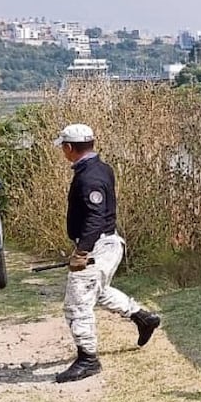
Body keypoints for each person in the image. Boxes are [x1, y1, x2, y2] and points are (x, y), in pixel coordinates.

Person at [52, 123, 161, 383]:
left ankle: (88, 360)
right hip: (107, 243)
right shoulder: (101, 168)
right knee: (98, 291)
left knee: (77, 304)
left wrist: (81, 251)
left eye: (63, 148)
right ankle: (143, 317)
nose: (63, 152)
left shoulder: (88, 176)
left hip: (97, 246)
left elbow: (94, 218)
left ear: (69, 148)